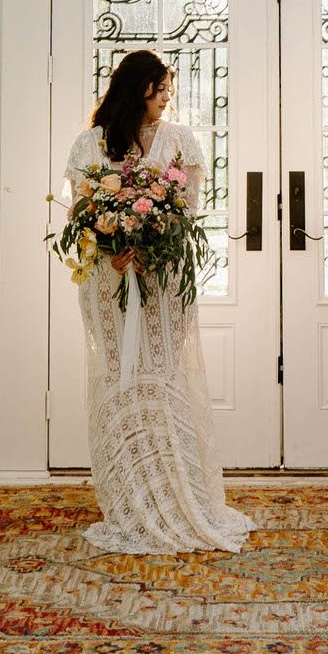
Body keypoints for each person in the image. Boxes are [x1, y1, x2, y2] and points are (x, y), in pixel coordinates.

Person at [63, 48, 252, 554]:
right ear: (136, 89)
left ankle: (176, 492)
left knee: (164, 373)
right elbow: (80, 211)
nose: (167, 99)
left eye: (169, 90)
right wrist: (111, 245)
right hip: (106, 280)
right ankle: (128, 495)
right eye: (160, 89)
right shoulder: (91, 144)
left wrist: (148, 244)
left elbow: (187, 210)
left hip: (163, 280)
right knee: (117, 379)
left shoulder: (180, 141)